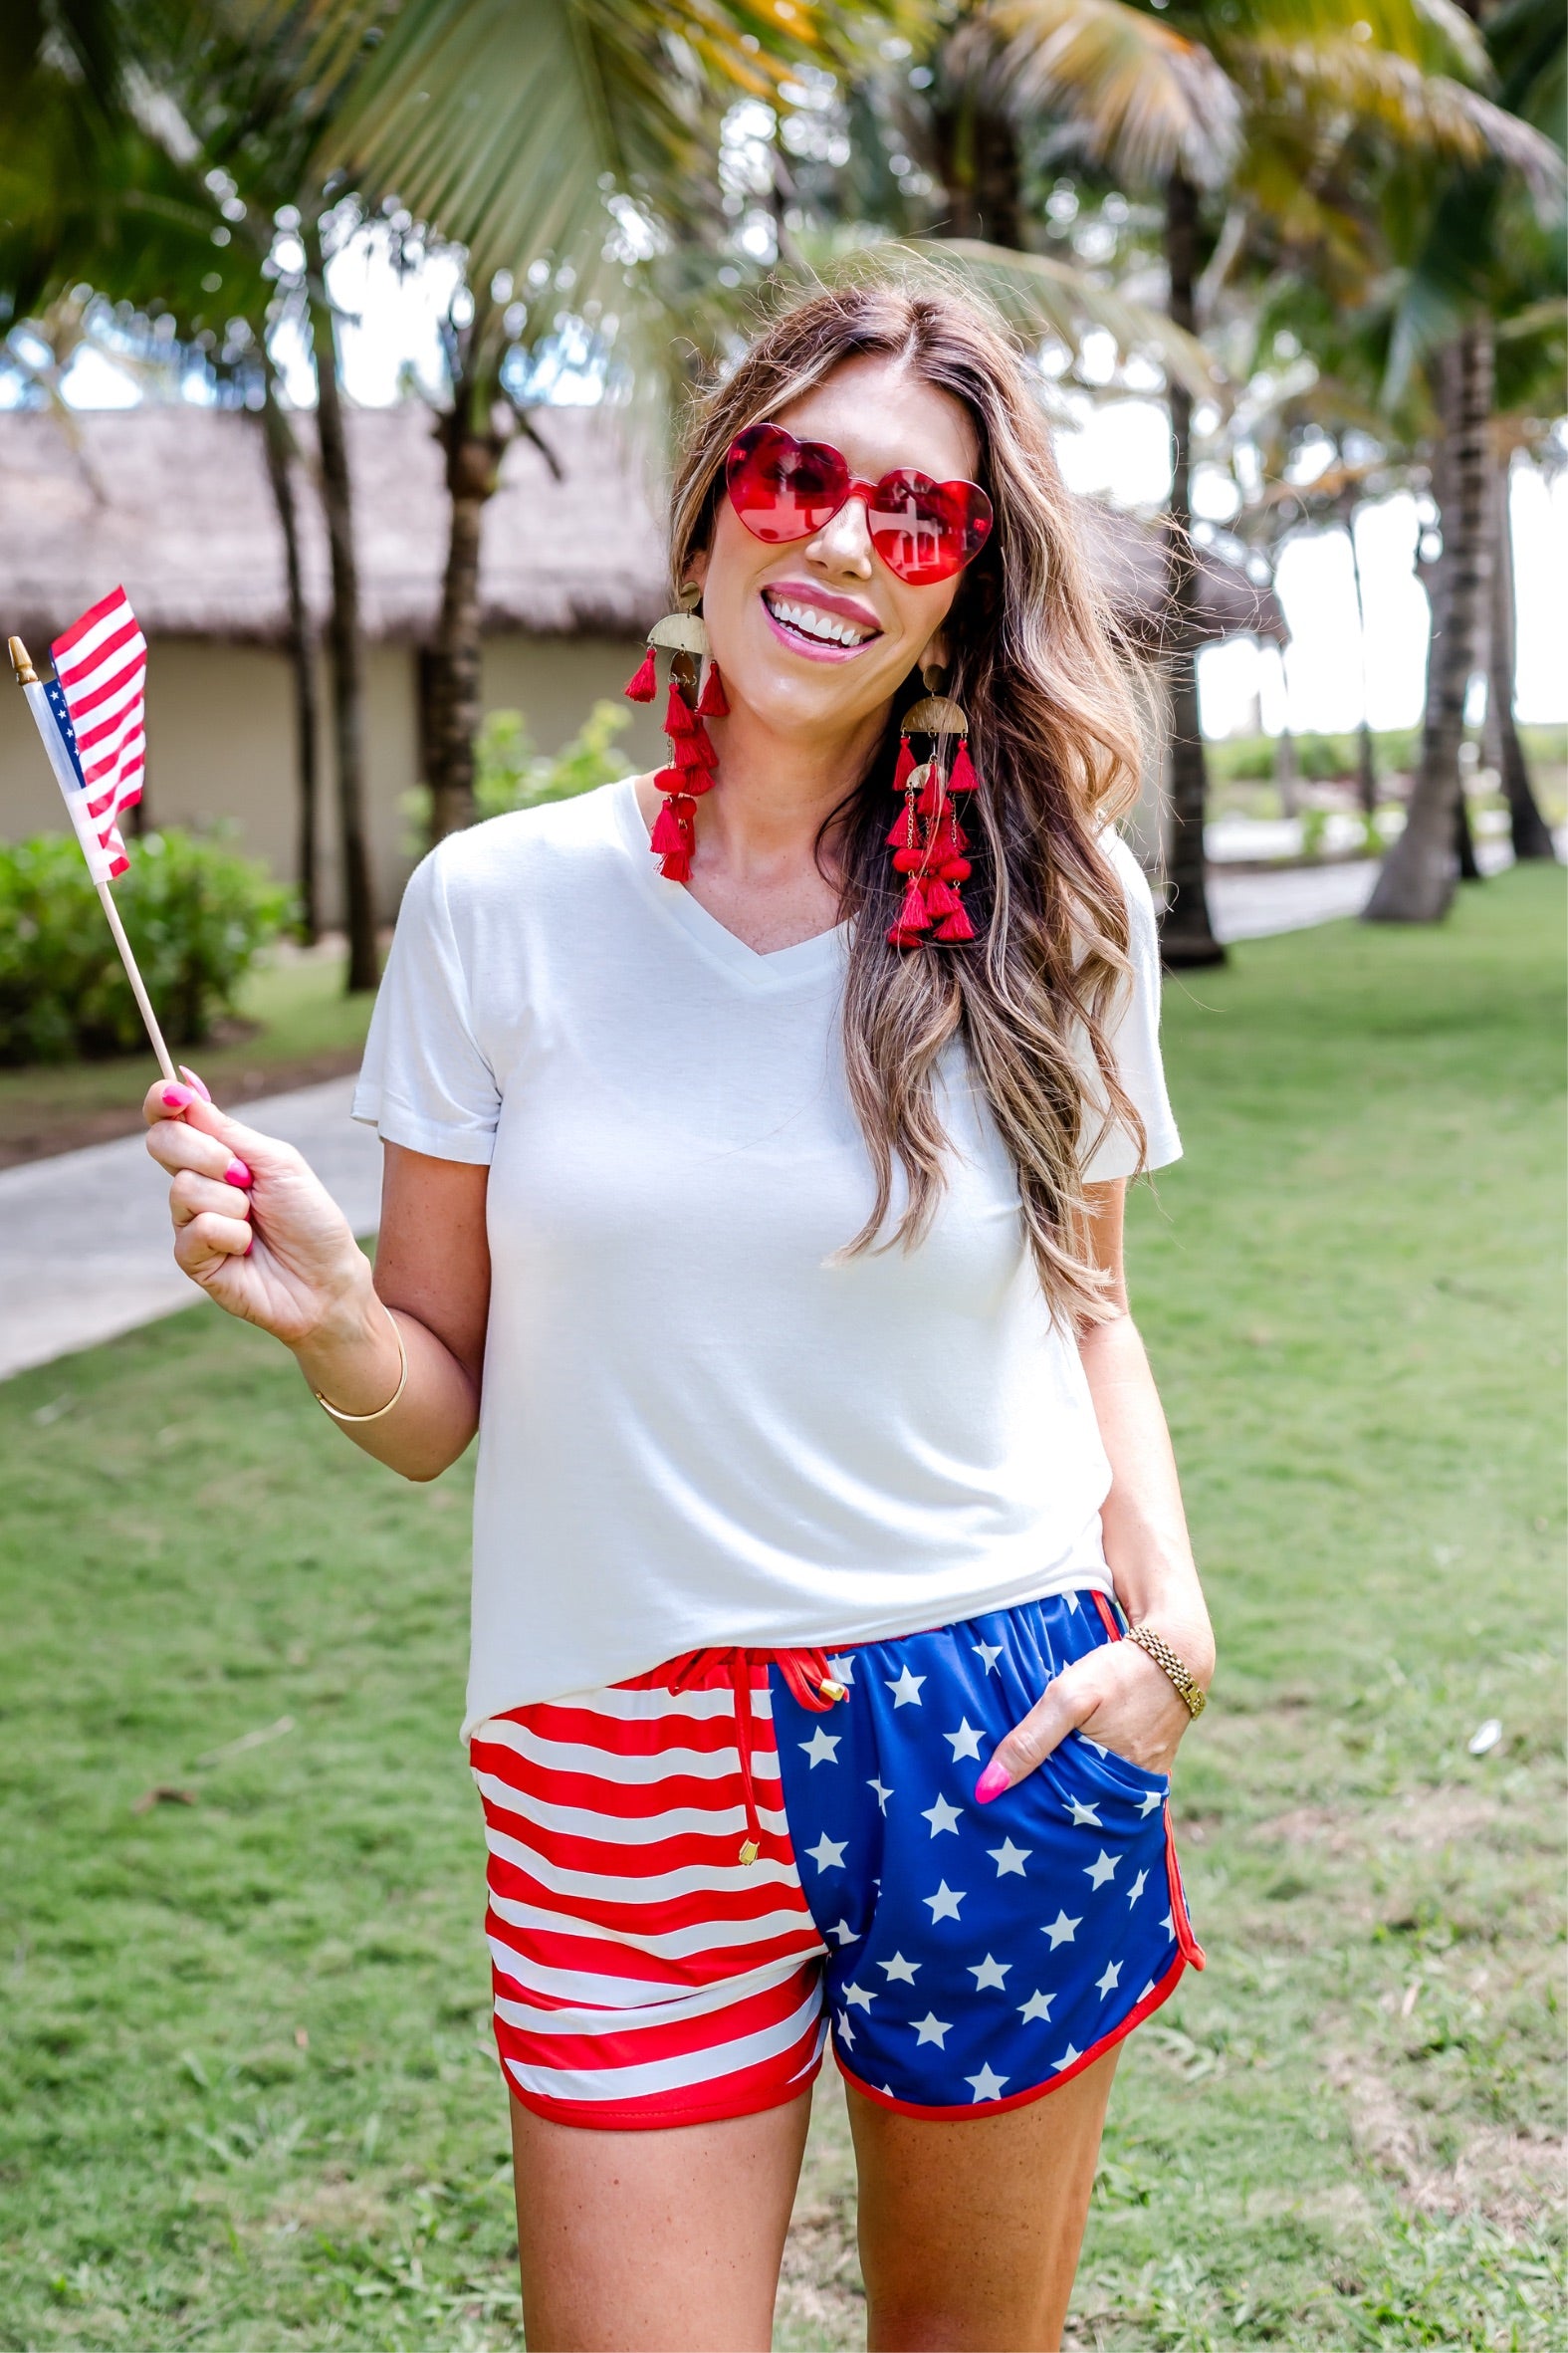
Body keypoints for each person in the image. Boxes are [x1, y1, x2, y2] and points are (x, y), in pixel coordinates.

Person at [144, 279, 1215, 2353]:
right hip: (614, 1750)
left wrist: (1167, 1635)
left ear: (961, 584)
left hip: (991, 1719)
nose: (835, 542)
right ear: (716, 500)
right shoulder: (493, 908)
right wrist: (335, 1314)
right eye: (797, 475)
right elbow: (432, 1403)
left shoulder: (1056, 906)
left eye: (911, 517)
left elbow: (1093, 1310)